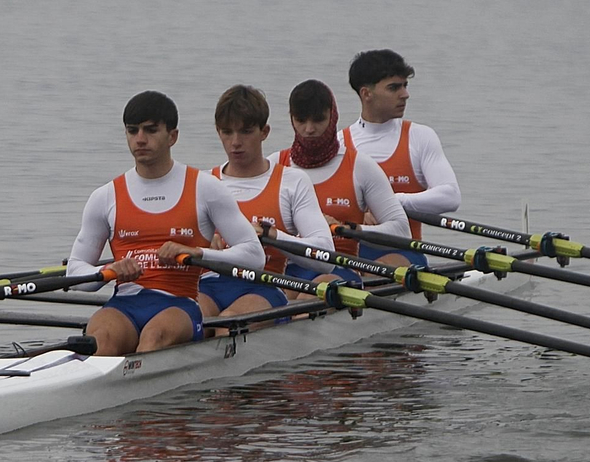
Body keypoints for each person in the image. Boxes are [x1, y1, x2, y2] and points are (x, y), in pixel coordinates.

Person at [67, 90, 265, 356]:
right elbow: (75, 273)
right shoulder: (105, 196)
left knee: (154, 337)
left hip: (180, 305)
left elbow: (254, 255)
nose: (140, 139)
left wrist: (198, 253)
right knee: (101, 338)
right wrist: (110, 271)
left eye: (150, 130)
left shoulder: (205, 188)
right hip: (124, 304)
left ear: (173, 136)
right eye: (132, 130)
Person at [197, 84, 337, 323]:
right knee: (188, 322)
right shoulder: (202, 183)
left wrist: (273, 236)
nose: (235, 142)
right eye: (227, 132)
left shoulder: (292, 182)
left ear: (265, 131)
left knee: (227, 322)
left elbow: (324, 258)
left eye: (246, 131)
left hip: (264, 285)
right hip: (210, 286)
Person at [277, 79, 411, 276]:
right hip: (288, 270)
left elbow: (402, 230)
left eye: (318, 120)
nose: (309, 129)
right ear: (291, 119)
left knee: (310, 293)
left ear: (333, 117)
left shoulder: (360, 166)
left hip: (340, 267)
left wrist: (351, 229)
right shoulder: (276, 165)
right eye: (301, 120)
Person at [343, 48, 461, 266]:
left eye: (405, 86)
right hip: (350, 255)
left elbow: (451, 196)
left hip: (405, 253)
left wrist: (391, 202)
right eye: (394, 88)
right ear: (366, 94)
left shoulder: (419, 137)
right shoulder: (339, 144)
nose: (405, 94)